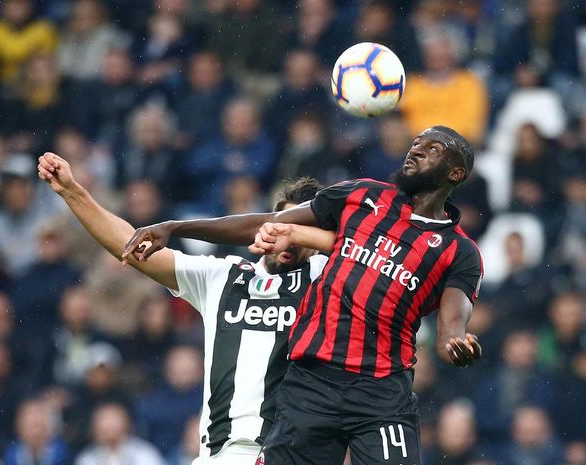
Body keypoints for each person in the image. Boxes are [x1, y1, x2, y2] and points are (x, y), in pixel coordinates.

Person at [121, 125, 484, 465]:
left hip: (381, 392)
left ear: (455, 173)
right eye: (417, 142)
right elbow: (268, 224)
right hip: (311, 382)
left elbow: (453, 322)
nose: (417, 150)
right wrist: (175, 226)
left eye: (432, 149)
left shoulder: (459, 251)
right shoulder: (363, 196)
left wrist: (456, 343)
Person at [37, 152, 327, 464]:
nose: (288, 237)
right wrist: (73, 192)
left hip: (289, 454)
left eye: (300, 230)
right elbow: (132, 245)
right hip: (218, 455)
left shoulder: (329, 282)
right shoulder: (224, 275)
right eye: (283, 224)